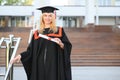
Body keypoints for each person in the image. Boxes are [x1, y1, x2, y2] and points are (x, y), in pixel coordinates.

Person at [11, 6, 72, 80]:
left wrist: (61, 44)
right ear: (42, 17)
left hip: (54, 66)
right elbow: (30, 51)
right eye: (45, 15)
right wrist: (20, 56)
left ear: (53, 17)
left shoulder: (59, 31)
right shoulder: (37, 33)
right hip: (40, 66)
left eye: (50, 16)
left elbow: (67, 46)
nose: (47, 18)